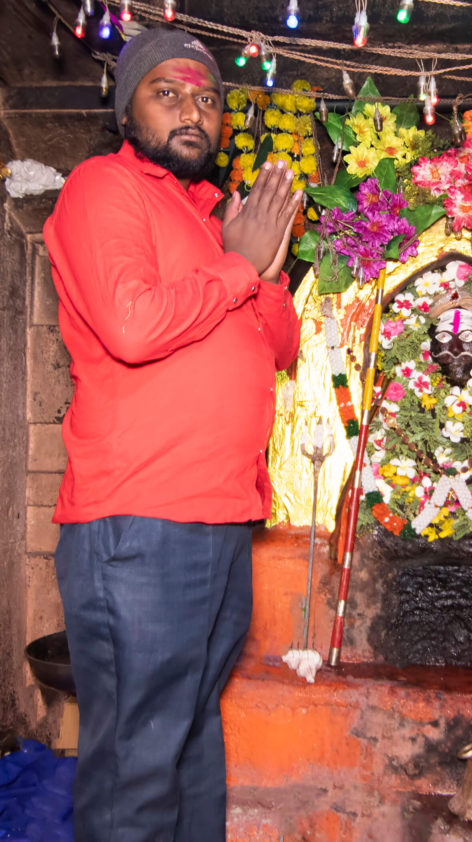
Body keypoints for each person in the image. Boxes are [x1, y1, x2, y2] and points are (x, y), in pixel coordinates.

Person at [43, 27, 302, 842]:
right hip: (139, 522)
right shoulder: (101, 188)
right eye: (169, 93)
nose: (195, 109)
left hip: (219, 518)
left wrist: (261, 270)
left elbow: (282, 346)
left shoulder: (208, 216)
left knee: (191, 748)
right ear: (129, 112)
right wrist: (237, 266)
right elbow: (131, 323)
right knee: (139, 768)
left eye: (209, 98)